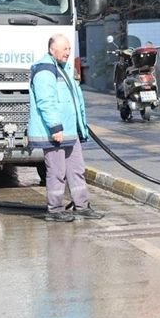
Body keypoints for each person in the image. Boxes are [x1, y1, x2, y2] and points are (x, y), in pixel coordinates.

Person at [28, 34, 104, 222]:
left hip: (70, 130)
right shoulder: (45, 70)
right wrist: (55, 128)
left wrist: (79, 126)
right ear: (52, 50)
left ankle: (82, 206)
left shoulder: (64, 68)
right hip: (56, 132)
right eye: (64, 49)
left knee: (76, 169)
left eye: (69, 49)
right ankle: (54, 210)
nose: (68, 53)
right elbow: (46, 101)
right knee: (57, 172)